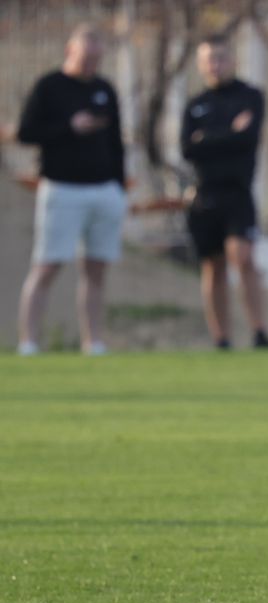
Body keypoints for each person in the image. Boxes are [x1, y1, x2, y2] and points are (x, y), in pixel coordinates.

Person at [16, 23, 126, 356]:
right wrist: (68, 127)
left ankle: (93, 342)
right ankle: (29, 342)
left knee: (96, 269)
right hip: (63, 189)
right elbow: (26, 133)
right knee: (47, 266)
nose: (92, 64)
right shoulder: (49, 87)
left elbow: (116, 141)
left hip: (104, 190)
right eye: (86, 57)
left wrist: (119, 186)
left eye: (97, 58)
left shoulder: (105, 88)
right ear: (70, 51)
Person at [181, 33, 268, 350]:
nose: (215, 65)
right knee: (213, 265)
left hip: (238, 192)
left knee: (243, 256)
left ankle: (259, 331)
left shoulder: (250, 96)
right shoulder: (195, 105)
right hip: (205, 195)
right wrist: (228, 134)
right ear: (200, 65)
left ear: (232, 60)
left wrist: (207, 140)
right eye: (209, 59)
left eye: (220, 58)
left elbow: (247, 139)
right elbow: (187, 149)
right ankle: (221, 337)